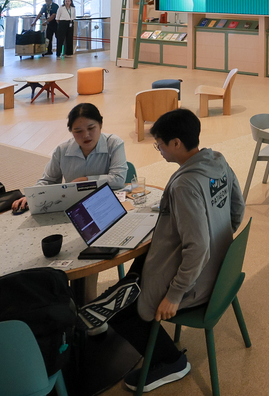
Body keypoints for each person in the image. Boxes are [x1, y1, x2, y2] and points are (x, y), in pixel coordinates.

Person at [104, 108, 244, 392]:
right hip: (221, 269)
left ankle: (170, 362)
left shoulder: (184, 185)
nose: (159, 150)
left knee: (119, 311)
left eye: (160, 145)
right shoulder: (217, 161)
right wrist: (220, 232)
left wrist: (175, 294)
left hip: (197, 282)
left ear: (177, 143)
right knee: (135, 274)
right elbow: (237, 208)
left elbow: (198, 246)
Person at [10, 104, 127, 212]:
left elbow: (118, 179)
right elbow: (48, 181)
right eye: (78, 131)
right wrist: (31, 196)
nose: (86, 135)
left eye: (91, 128)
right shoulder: (62, 150)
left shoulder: (113, 143)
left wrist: (85, 180)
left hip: (106, 205)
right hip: (74, 206)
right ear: (71, 131)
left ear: (100, 124)